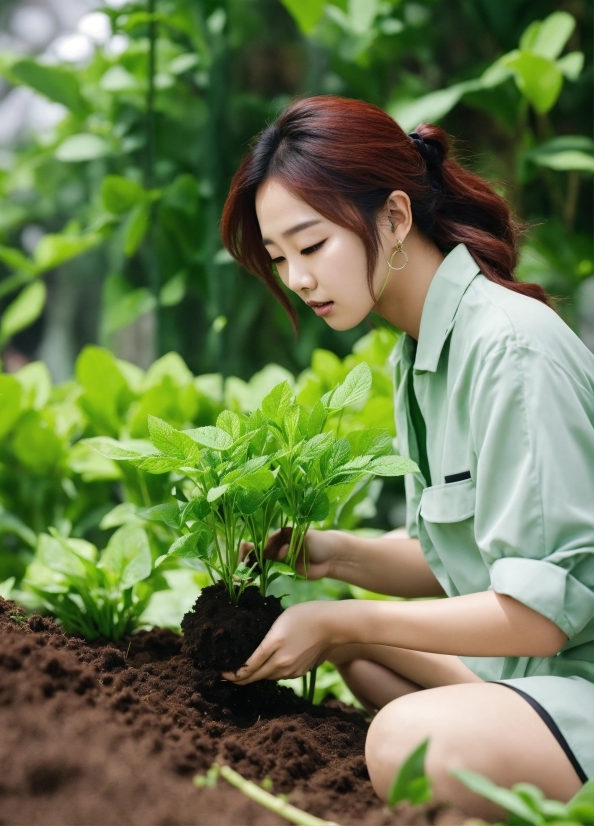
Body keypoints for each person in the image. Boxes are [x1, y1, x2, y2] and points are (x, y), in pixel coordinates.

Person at [220, 96, 594, 819]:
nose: (296, 279)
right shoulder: (420, 352)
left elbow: (540, 617)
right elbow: (463, 556)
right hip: (526, 671)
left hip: (571, 673)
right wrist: (329, 556)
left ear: (393, 219)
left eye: (312, 245)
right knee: (360, 660)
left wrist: (342, 617)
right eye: (278, 258)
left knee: (401, 739)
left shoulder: (509, 347)